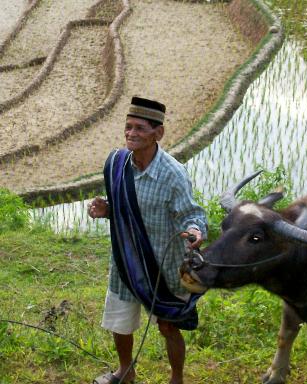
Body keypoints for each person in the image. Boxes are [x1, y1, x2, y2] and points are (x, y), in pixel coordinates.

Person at [89, 96, 207, 384]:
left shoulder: (173, 174)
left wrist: (194, 232)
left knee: (168, 326)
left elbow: (191, 214)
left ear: (158, 133)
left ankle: (176, 378)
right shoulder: (117, 164)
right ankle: (125, 370)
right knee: (121, 322)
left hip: (161, 269)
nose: (131, 133)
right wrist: (106, 209)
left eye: (140, 128)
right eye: (128, 127)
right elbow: (122, 206)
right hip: (126, 263)